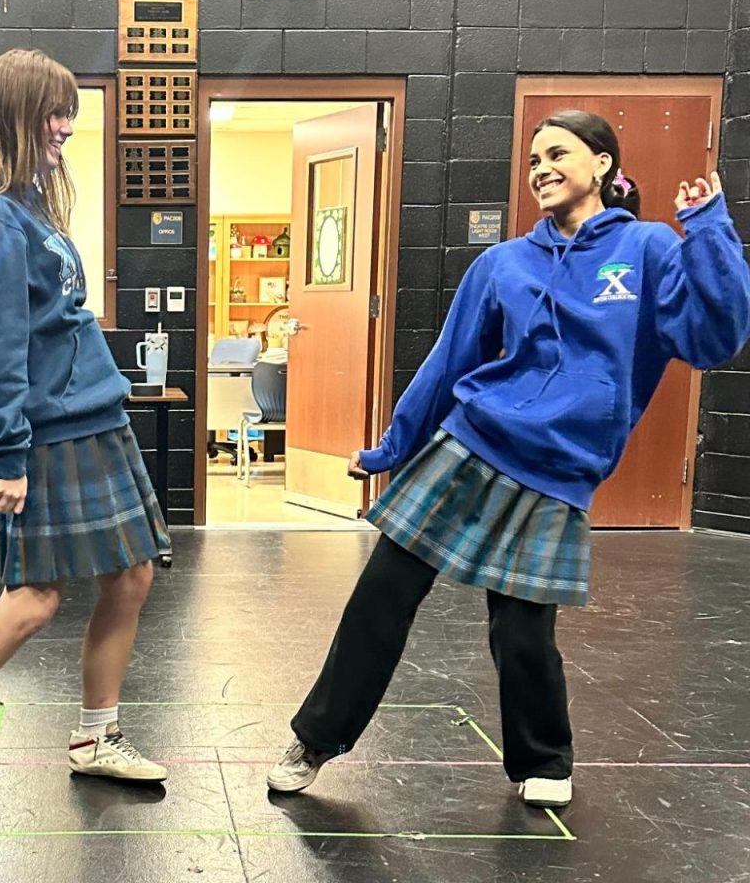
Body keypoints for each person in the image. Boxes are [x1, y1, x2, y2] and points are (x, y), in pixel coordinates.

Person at [267, 110, 750, 809]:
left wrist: (707, 226)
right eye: (533, 160)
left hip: (559, 469)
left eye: (559, 153)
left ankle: (543, 757)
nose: (542, 168)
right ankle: (316, 739)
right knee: (381, 598)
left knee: (522, 629)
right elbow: (447, 363)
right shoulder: (503, 263)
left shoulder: (648, 249)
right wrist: (393, 448)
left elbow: (714, 338)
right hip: (471, 445)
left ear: (604, 165)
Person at [0, 49, 171, 820]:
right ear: (14, 113)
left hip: (95, 418)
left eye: (71, 111)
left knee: (134, 574)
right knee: (35, 598)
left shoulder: (27, 205)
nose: (67, 128)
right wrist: (7, 453)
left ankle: (94, 737)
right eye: (55, 111)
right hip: (45, 435)